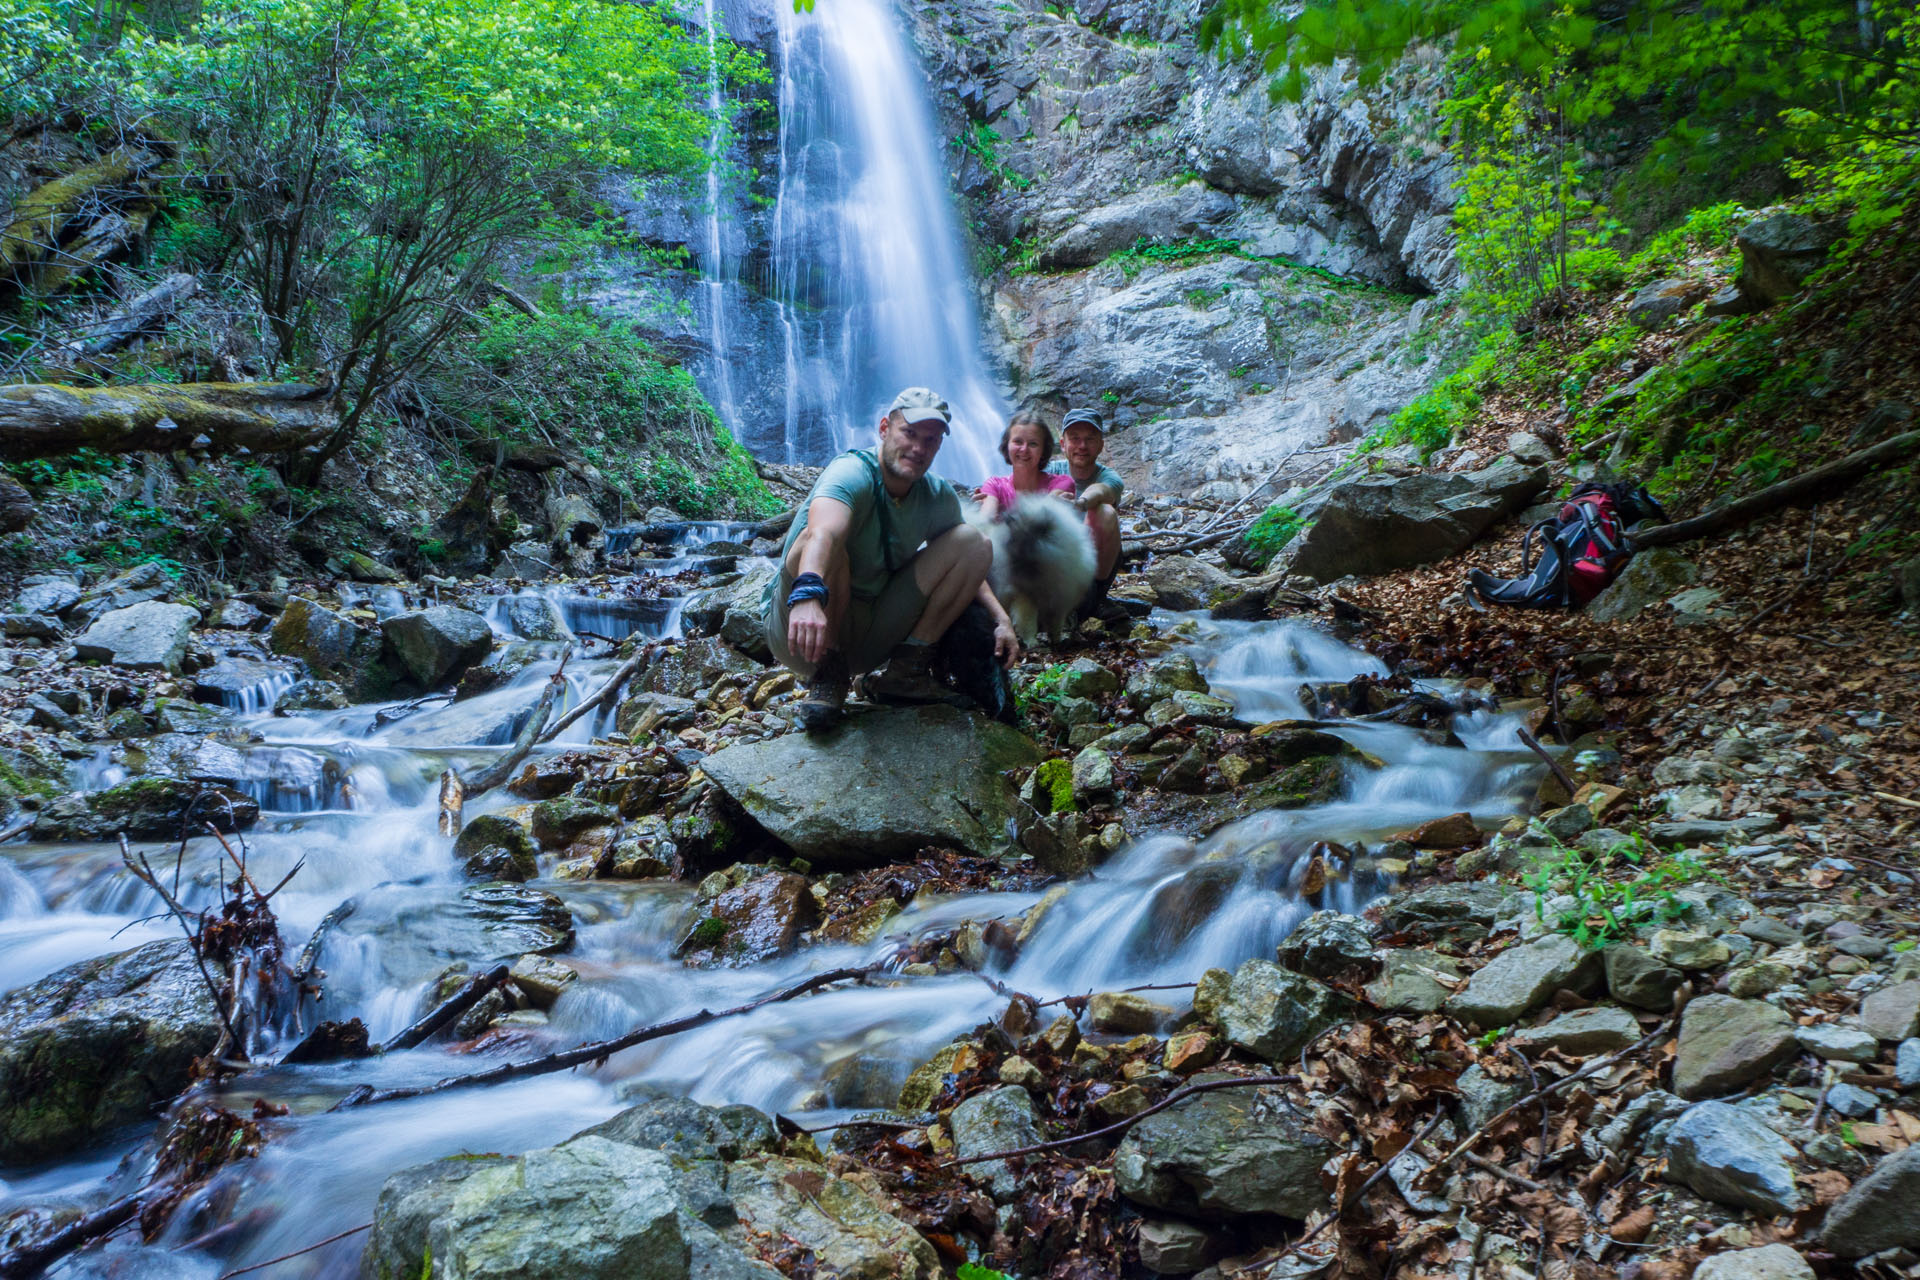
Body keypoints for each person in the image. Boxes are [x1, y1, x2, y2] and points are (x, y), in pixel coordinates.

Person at [764, 387, 1021, 732]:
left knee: (974, 541)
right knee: (830, 543)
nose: (918, 448)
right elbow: (821, 533)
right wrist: (807, 594)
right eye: (909, 433)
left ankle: (905, 673)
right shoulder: (851, 471)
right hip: (800, 626)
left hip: (871, 629)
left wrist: (1001, 619)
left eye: (930, 440)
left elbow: (970, 557)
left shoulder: (934, 494)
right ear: (884, 428)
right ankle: (829, 674)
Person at [1045, 407, 1127, 617]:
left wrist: (1080, 503)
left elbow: (1101, 491)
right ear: (1063, 444)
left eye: (1090, 439)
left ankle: (1094, 599)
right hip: (1052, 568)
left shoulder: (1110, 477)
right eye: (1075, 438)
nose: (1082, 446)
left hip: (1093, 574)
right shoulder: (1048, 472)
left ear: (1100, 445)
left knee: (1105, 513)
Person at [975, 408, 1075, 520]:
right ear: (1007, 445)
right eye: (1018, 442)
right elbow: (986, 520)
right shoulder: (994, 485)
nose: (1024, 449)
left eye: (1033, 444)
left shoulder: (1062, 483)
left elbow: (1044, 516)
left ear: (1043, 450)